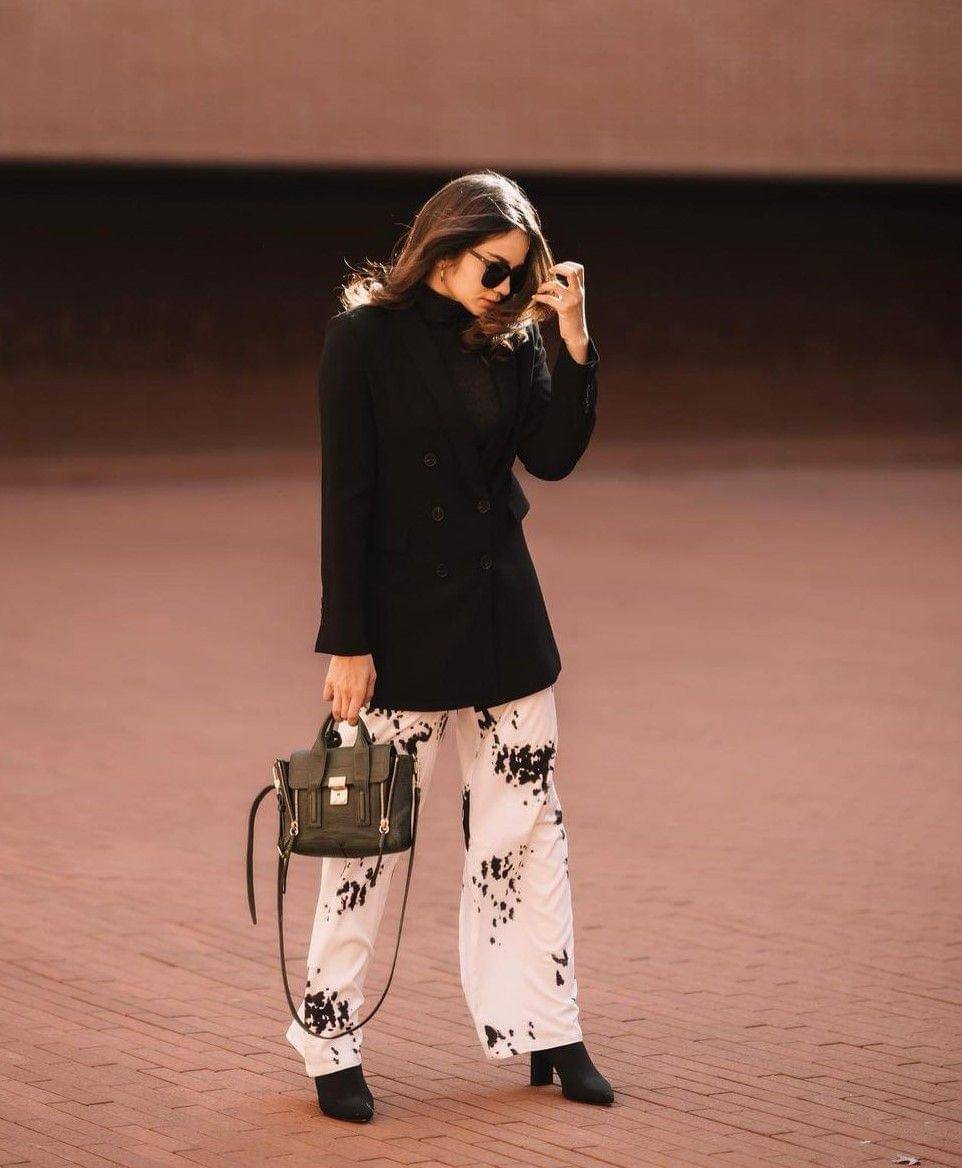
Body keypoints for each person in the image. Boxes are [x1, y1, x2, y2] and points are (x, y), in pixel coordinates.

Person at [287, 170, 614, 1121]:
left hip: (504, 619)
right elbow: (346, 500)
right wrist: (348, 642)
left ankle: (548, 1027)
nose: (505, 289)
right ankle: (330, 1038)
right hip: (399, 633)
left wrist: (573, 336)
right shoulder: (362, 341)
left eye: (520, 273)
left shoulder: (513, 337)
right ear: (440, 250)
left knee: (528, 834)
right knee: (367, 841)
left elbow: (551, 456)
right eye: (492, 269)